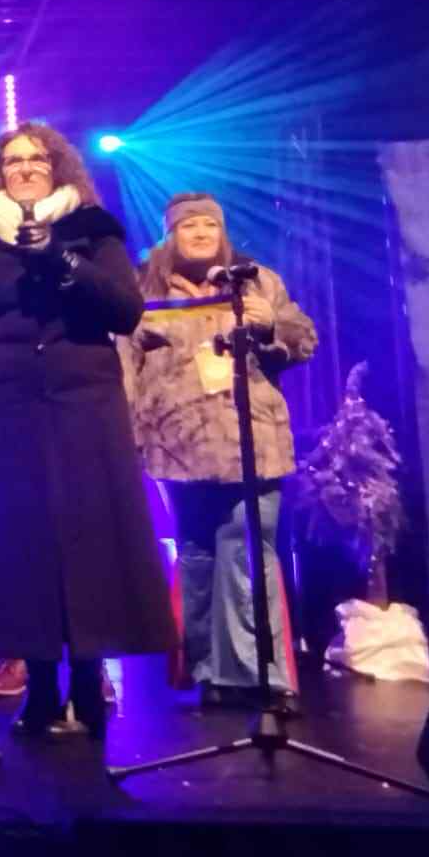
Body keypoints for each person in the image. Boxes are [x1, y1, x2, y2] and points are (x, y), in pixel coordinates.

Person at [0, 124, 175, 738]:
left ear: (57, 166)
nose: (23, 168)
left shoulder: (92, 229)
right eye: (12, 161)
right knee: (23, 542)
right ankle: (41, 688)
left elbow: (125, 309)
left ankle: (89, 682)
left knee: (90, 535)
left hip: (84, 402)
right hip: (9, 406)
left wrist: (62, 259)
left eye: (35, 159)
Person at [124, 192, 316, 714]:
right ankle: (209, 670)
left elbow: (304, 339)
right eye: (190, 226)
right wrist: (129, 433)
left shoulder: (257, 281)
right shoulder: (143, 290)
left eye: (210, 224)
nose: (202, 233)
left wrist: (271, 326)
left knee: (248, 546)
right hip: (176, 441)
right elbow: (125, 365)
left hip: (252, 439)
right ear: (171, 235)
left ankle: (261, 674)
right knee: (196, 553)